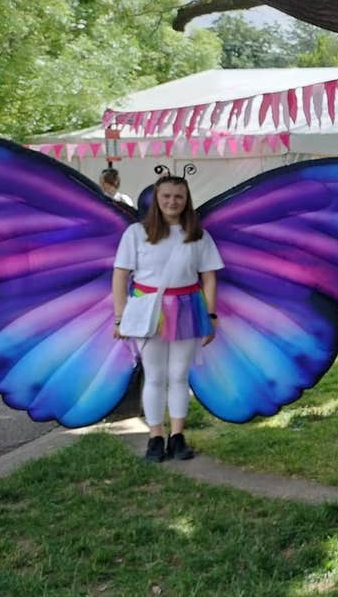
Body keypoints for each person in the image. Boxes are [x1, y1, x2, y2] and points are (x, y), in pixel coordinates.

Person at [112, 175, 223, 462]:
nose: (173, 201)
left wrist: (210, 314)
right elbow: (120, 275)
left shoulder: (198, 235)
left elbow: (209, 277)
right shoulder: (136, 233)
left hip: (188, 309)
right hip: (147, 312)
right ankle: (155, 437)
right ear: (156, 199)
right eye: (167, 196)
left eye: (179, 196)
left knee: (179, 375)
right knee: (155, 375)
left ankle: (177, 437)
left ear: (186, 201)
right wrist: (120, 318)